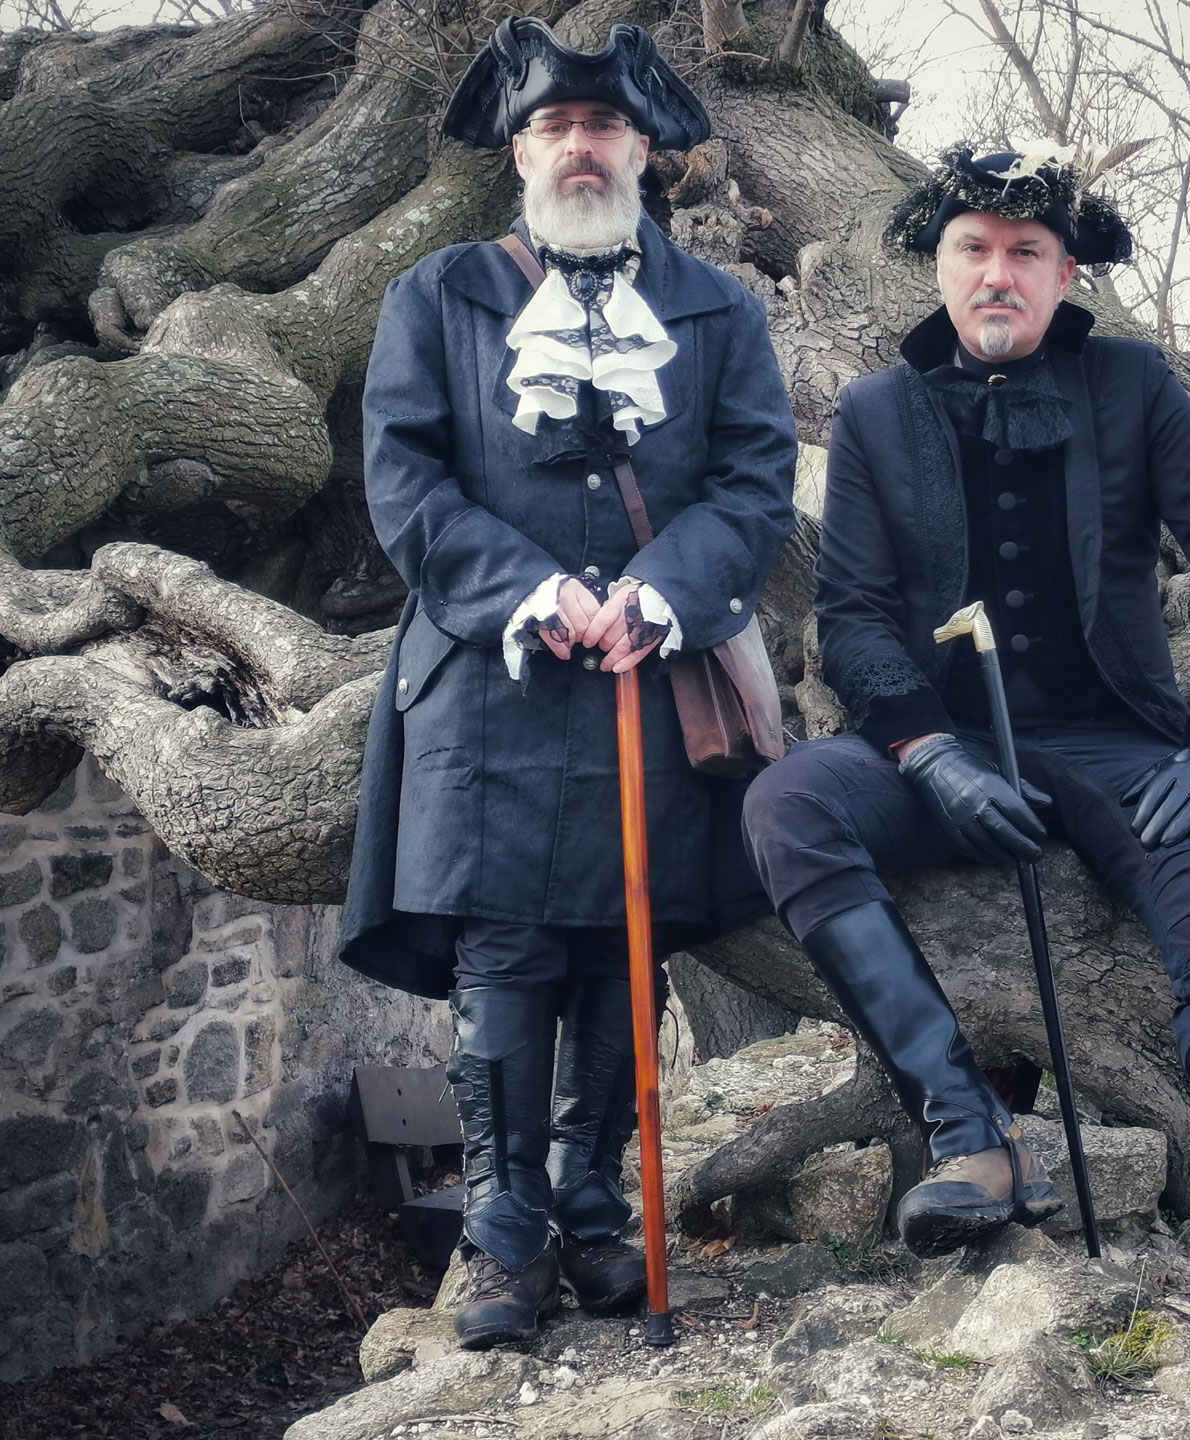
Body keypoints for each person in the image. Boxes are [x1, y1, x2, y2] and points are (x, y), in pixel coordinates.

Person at [741, 146, 1190, 1363]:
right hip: (940, 750)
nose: (996, 275)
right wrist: (925, 751)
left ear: (1063, 275)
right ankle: (969, 1137)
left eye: (1024, 254)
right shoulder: (876, 412)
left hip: (1119, 747)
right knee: (791, 802)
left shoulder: (1132, 386)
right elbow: (845, 614)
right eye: (973, 250)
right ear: (939, 264)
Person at [337, 18, 796, 1349]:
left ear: (644, 149)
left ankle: (596, 1218)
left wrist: (657, 591)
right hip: (493, 686)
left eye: (603, 127)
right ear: (521, 150)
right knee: (506, 958)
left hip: (649, 678)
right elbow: (406, 480)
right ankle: (503, 1241)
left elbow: (756, 481)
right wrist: (537, 592)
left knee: (616, 957)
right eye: (555, 127)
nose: (580, 147)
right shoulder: (438, 297)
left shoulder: (718, 310)